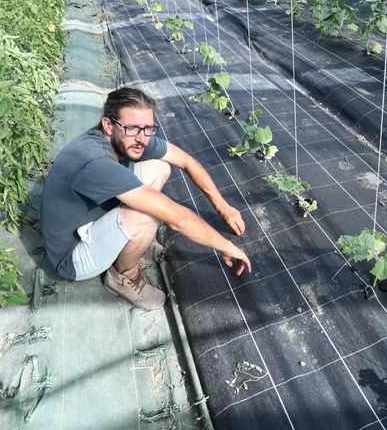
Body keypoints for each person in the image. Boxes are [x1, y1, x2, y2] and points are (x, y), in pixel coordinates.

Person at [40, 87, 251, 309]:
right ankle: (123, 276)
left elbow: (187, 161)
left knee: (159, 167)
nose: (142, 139)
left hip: (90, 218)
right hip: (73, 255)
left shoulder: (127, 139)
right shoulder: (95, 162)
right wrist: (226, 246)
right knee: (148, 215)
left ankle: (129, 247)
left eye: (148, 128)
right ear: (108, 125)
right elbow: (178, 219)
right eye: (132, 128)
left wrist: (223, 207)